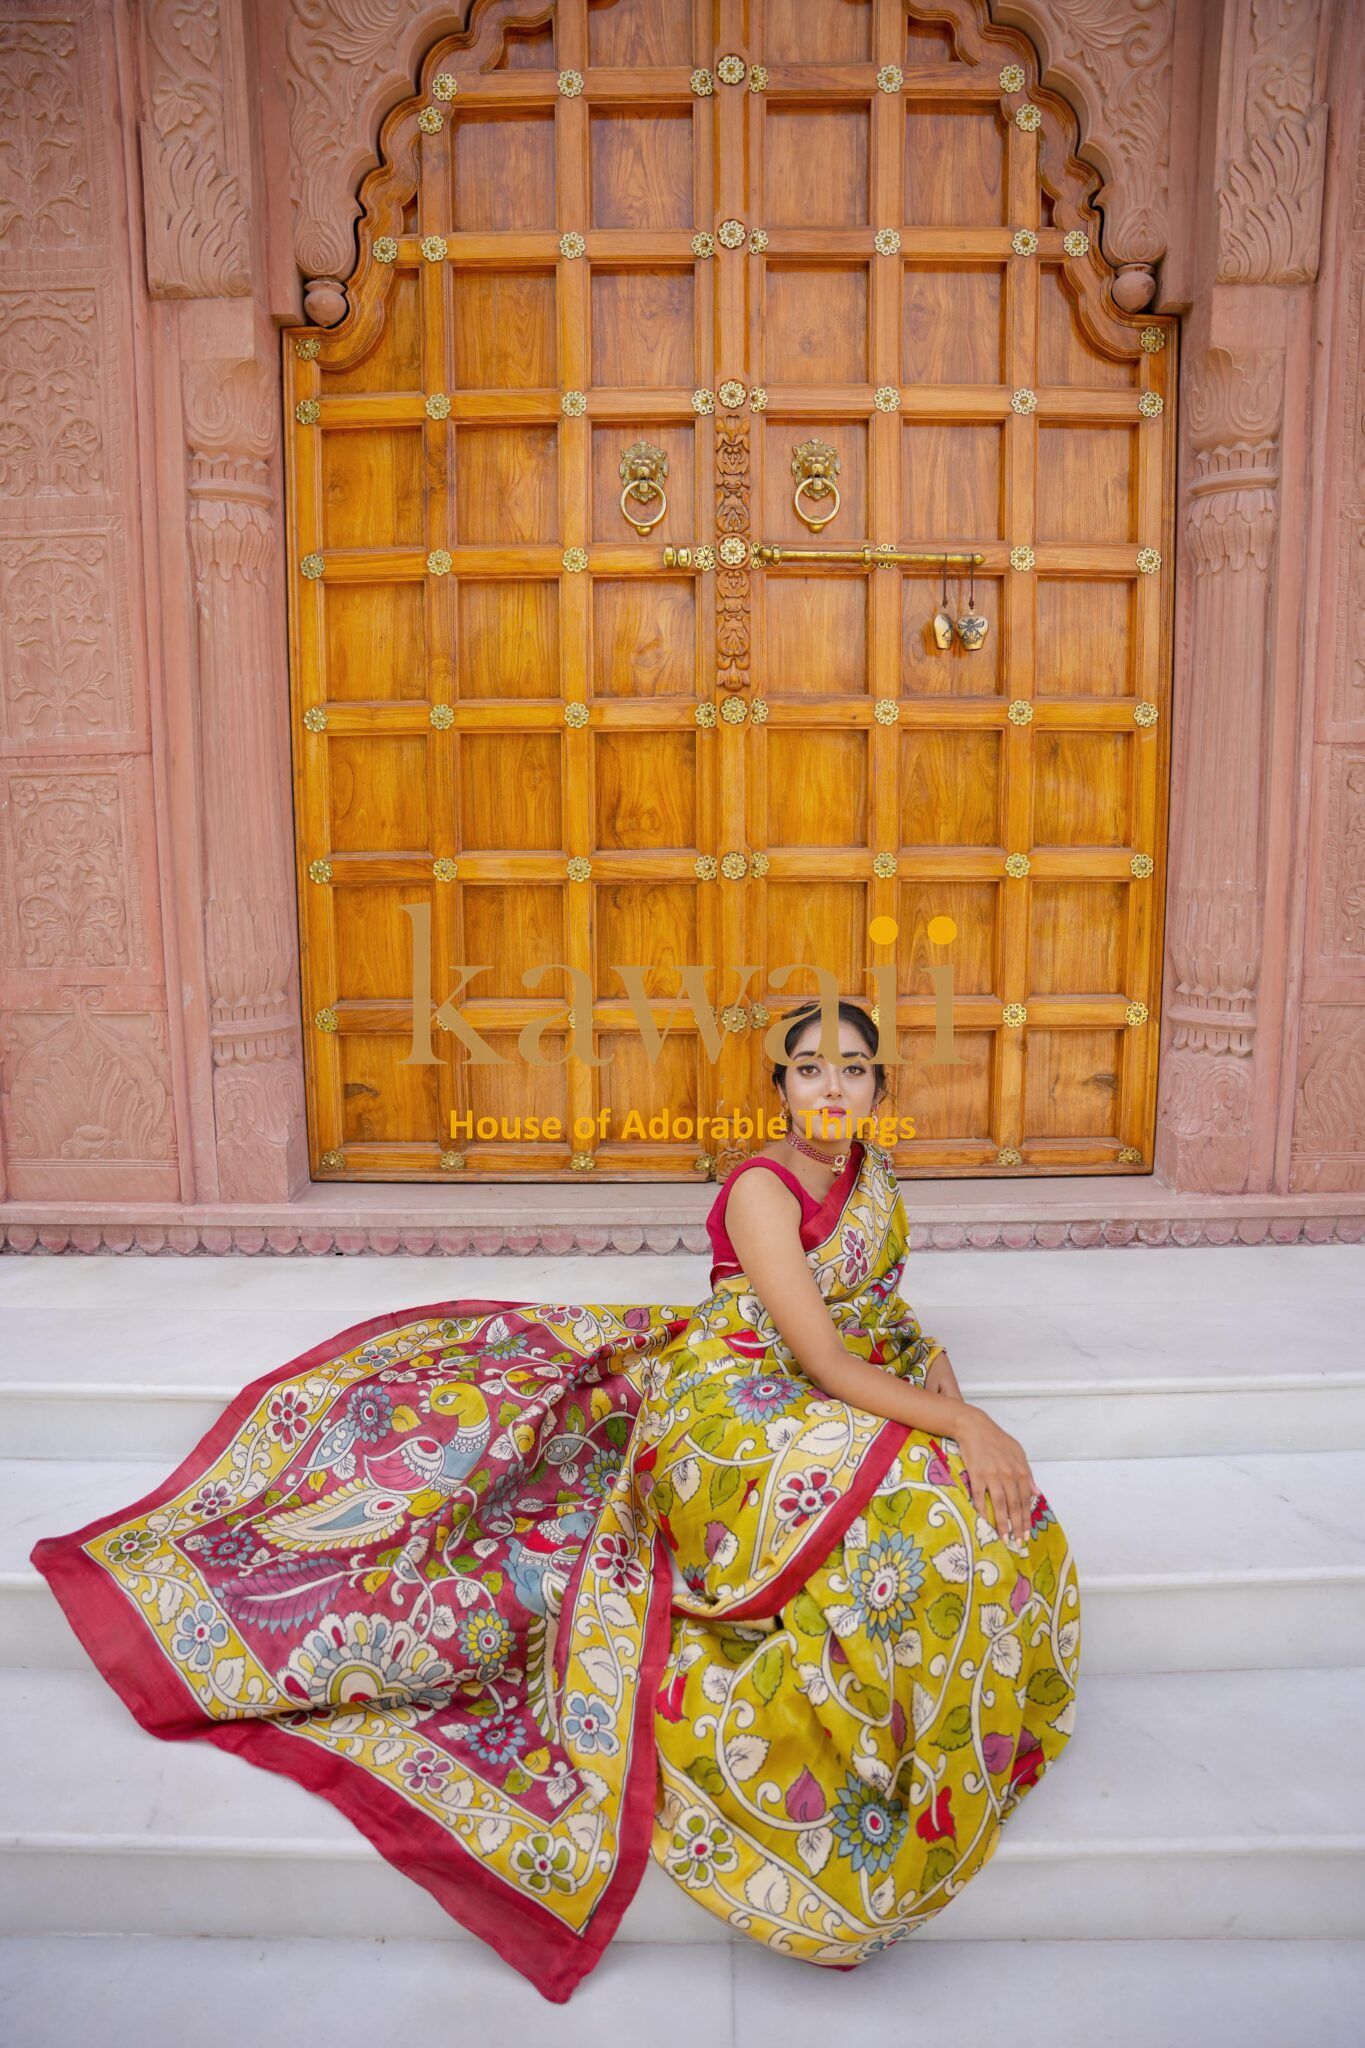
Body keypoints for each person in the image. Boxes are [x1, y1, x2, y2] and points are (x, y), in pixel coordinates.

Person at [30, 998, 1080, 2004]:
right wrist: (962, 1422)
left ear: (879, 1085)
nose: (832, 1084)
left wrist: (938, 1370)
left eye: (853, 1067)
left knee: (1007, 1523)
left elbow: (874, 1309)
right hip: (740, 1400)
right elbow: (814, 1350)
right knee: (924, 1514)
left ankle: (931, 1718)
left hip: (835, 1385)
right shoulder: (765, 1186)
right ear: (781, 1087)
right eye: (811, 1067)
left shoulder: (876, 1175)